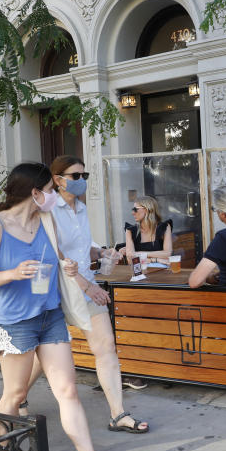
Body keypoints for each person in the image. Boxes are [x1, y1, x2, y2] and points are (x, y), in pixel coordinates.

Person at [0, 163, 125, 451]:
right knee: (14, 395)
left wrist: (70, 270)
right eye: (52, 190)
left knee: (68, 390)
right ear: (35, 192)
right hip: (17, 322)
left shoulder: (47, 219)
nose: (56, 195)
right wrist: (13, 274)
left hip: (50, 314)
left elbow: (57, 258)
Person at [21, 156, 149, 431]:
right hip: (54, 288)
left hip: (85, 284)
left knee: (105, 347)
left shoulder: (80, 209)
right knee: (45, 355)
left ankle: (118, 414)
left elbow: (80, 249)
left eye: (84, 175)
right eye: (75, 176)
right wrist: (87, 285)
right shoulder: (47, 208)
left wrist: (102, 252)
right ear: (57, 179)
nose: (81, 181)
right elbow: (56, 254)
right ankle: (17, 397)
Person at [124, 196, 172, 263]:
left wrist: (141, 254)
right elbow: (130, 259)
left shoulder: (164, 227)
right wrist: (156, 259)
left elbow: (167, 254)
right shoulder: (130, 231)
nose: (133, 213)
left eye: (135, 209)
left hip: (161, 271)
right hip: (140, 271)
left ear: (147, 209)